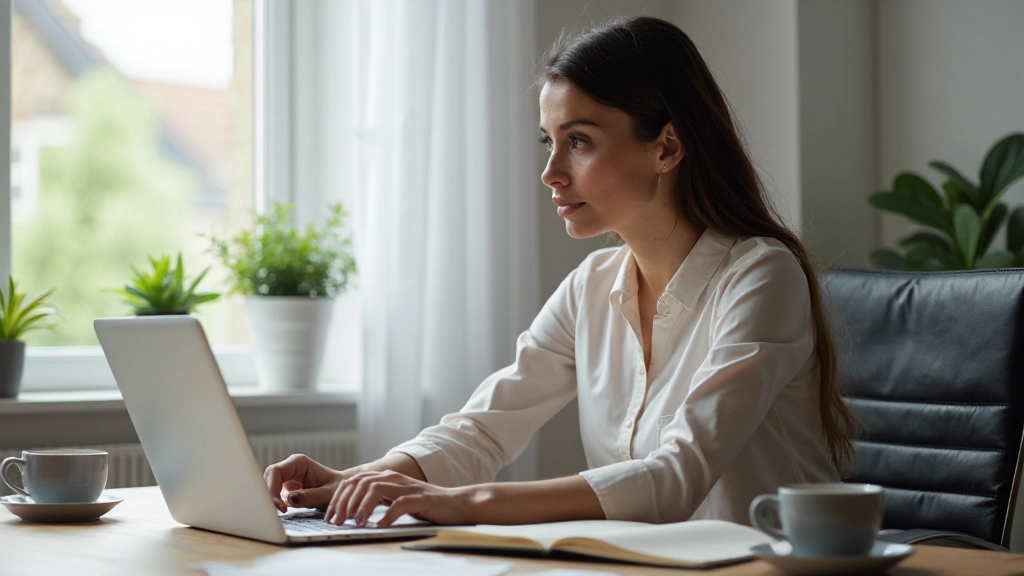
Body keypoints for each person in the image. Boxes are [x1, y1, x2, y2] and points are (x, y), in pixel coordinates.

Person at [264, 16, 857, 529]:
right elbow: (485, 428)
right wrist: (357, 480)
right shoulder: (592, 286)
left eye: (579, 142)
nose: (550, 172)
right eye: (547, 141)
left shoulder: (761, 277)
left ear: (667, 148)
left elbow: (675, 478)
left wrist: (463, 502)